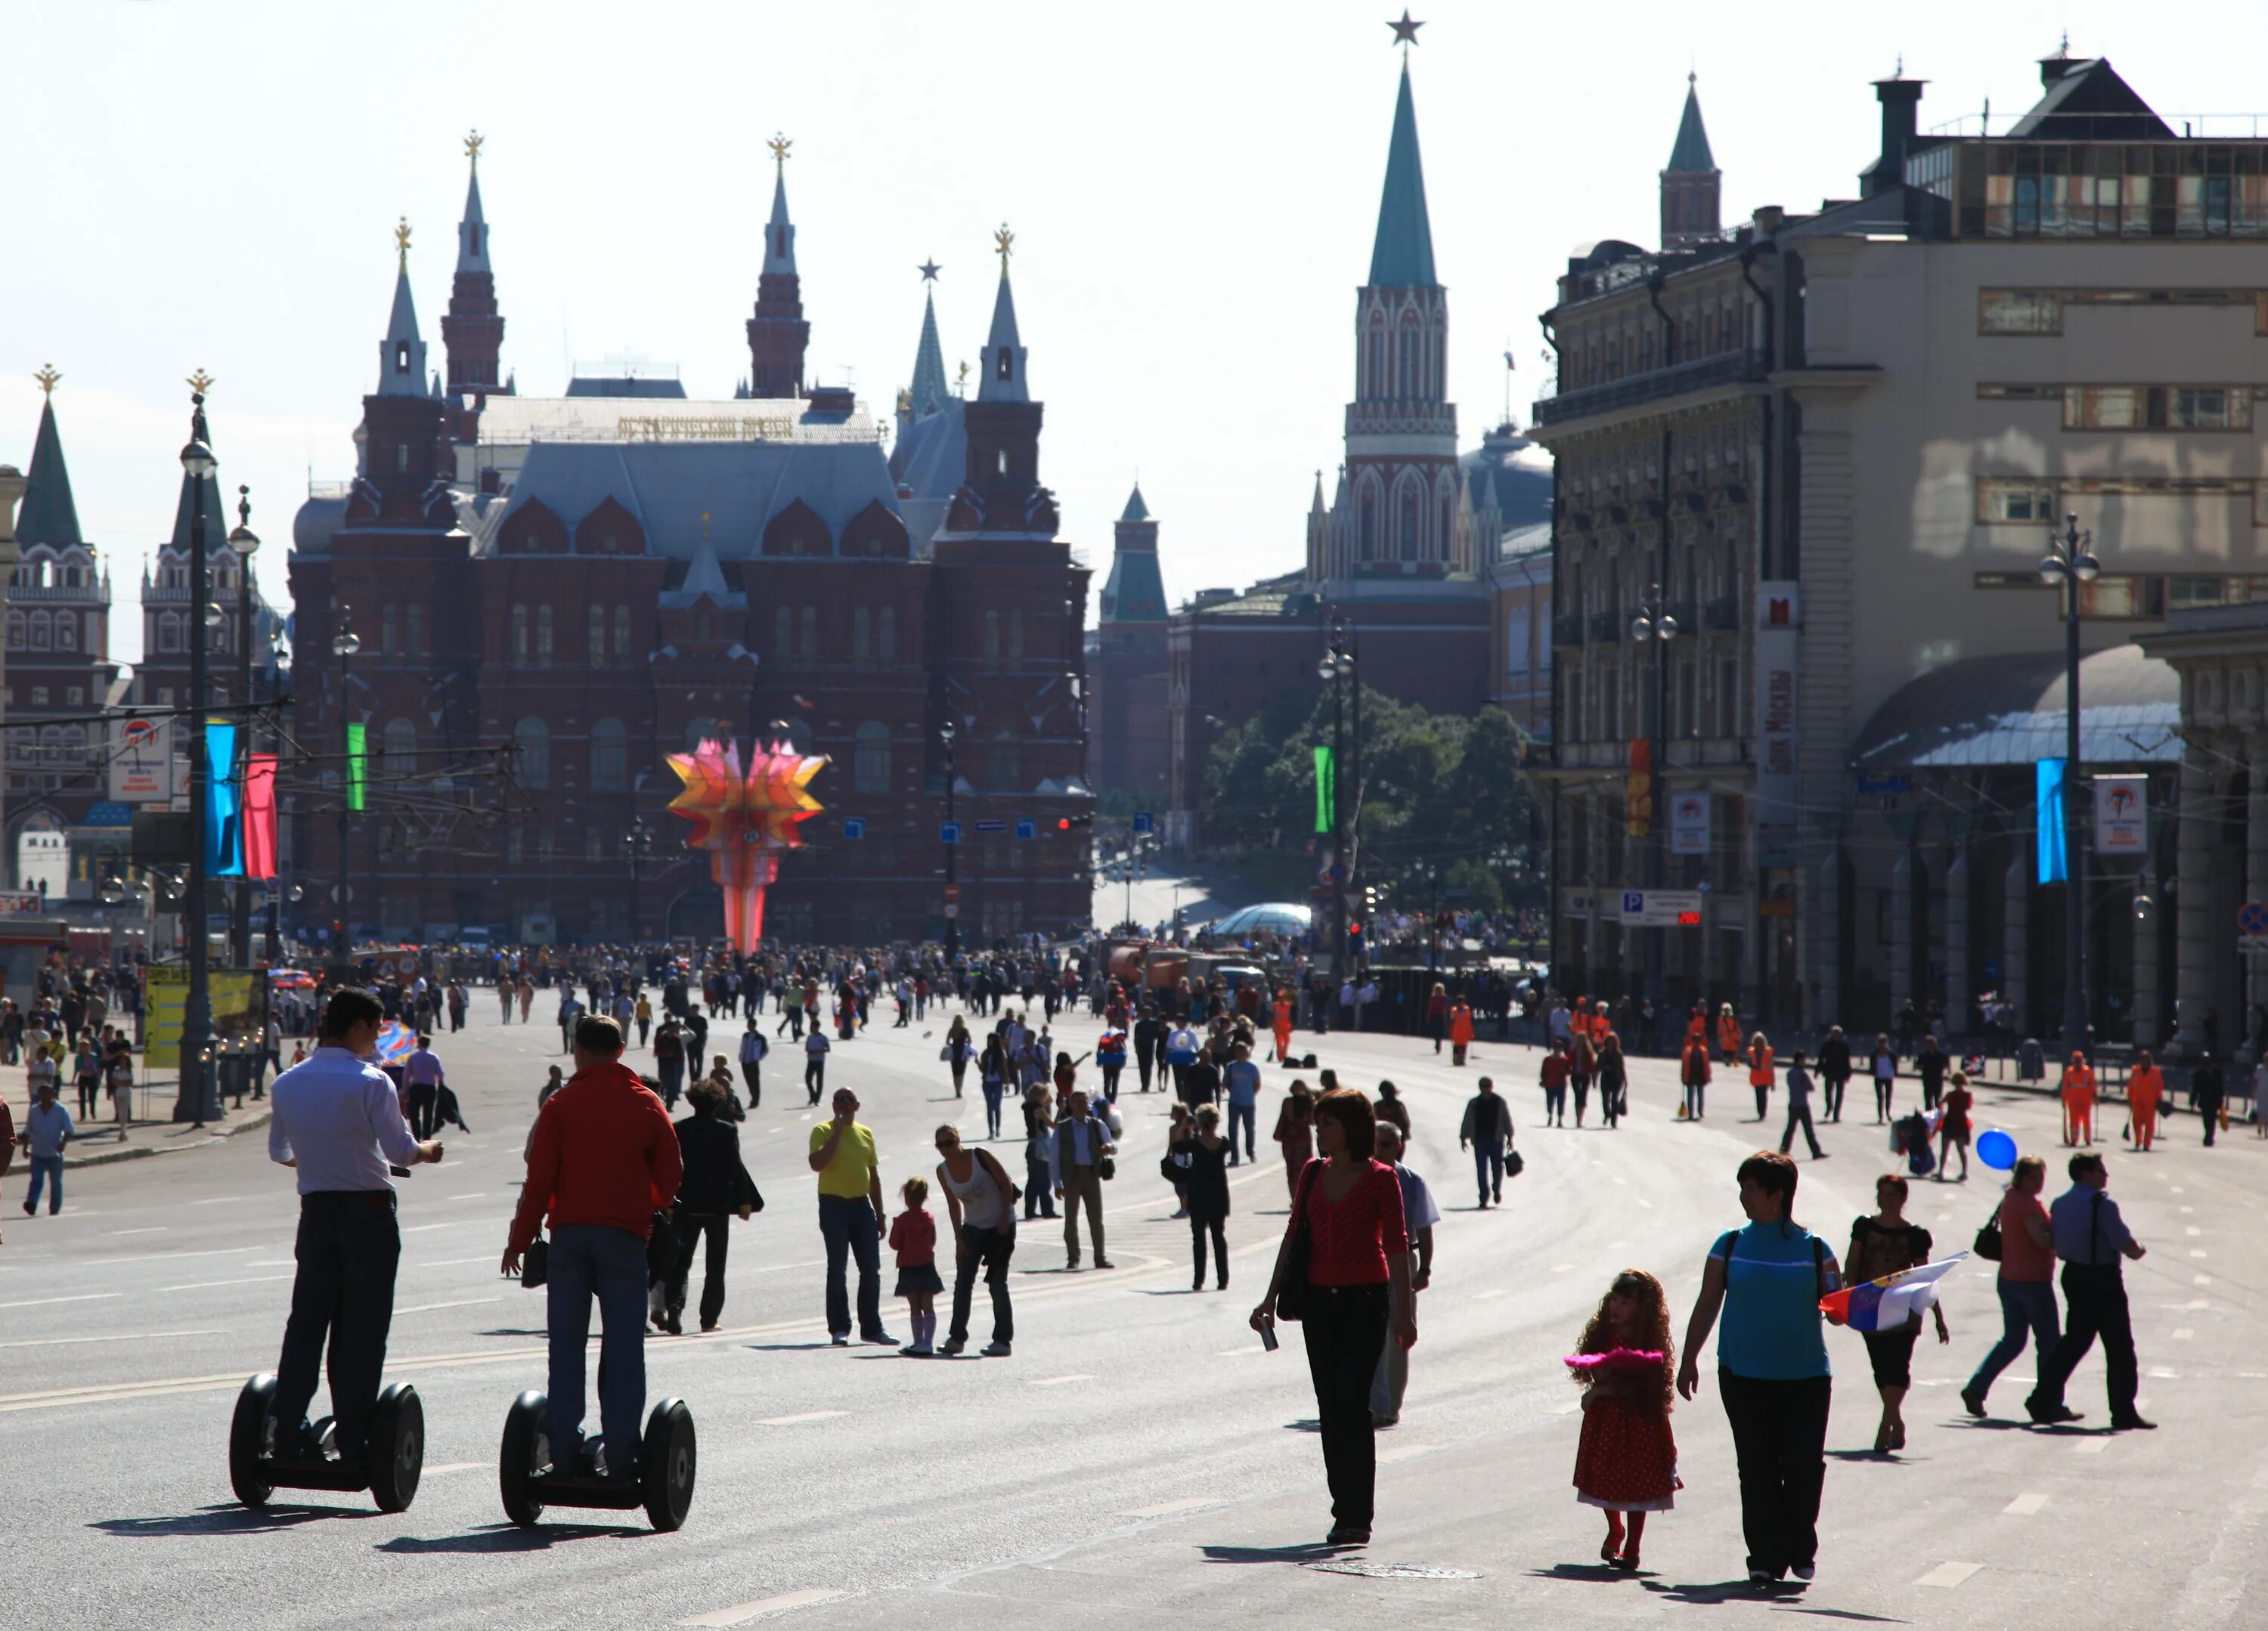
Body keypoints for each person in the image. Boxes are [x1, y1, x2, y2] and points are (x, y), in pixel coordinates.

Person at [267, 989, 445, 1466]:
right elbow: (400, 1150)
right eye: (378, 1027)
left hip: (318, 1213)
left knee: (307, 1323)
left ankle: (286, 1431)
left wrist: (319, 1158)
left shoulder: (287, 1082)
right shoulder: (371, 1082)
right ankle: (353, 1435)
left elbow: (280, 1152)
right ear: (359, 1027)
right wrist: (427, 1150)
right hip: (367, 1213)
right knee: (361, 1328)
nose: (380, 1038)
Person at [1250, 1088, 1415, 1549]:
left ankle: (1357, 1515)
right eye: (1319, 1122)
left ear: (1352, 1128)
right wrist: (1269, 1297)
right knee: (1330, 1407)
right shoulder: (1313, 1172)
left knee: (1353, 1405)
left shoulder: (1382, 1179)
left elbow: (1399, 1249)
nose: (1320, 1131)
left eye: (1329, 1123)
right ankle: (1342, 1509)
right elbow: (1293, 1235)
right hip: (1320, 1302)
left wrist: (1405, 1314)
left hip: (1365, 1301)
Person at [1676, 1151, 1841, 1587]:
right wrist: (1689, 1357)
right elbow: (1708, 1302)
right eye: (1742, 1187)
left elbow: (1835, 1307)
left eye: (1750, 1188)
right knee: (1757, 1466)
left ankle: (1800, 1547)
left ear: (1777, 1195)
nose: (1742, 1196)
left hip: (1805, 1377)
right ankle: (1764, 1556)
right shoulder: (1729, 1245)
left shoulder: (1816, 1250)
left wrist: (1854, 1305)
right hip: (1743, 1374)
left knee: (1804, 1467)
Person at [2026, 1153, 2153, 1430]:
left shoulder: (2059, 1204)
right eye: (2100, 1170)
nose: (2105, 1176)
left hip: (2074, 1275)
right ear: (2086, 1173)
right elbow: (2123, 1241)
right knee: (2119, 1347)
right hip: (2102, 1278)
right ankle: (2122, 1411)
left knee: (2074, 1343)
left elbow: (2057, 1239)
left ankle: (2041, 1398)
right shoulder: (2102, 1205)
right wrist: (2138, 1250)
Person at [1568, 1269, 1680, 1573]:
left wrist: (1601, 1390)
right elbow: (1596, 1369)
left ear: (1642, 1309)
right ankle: (1615, 1528)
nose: (1616, 1307)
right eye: (1614, 1300)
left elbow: (1642, 1385)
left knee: (1637, 1485)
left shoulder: (1648, 1343)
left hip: (1640, 1420)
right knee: (1605, 1476)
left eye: (1625, 1302)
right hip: (1608, 1421)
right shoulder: (1604, 1334)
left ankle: (1633, 1548)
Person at [1843, 1174, 1947, 1453]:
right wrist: (1847, 1298)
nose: (1885, 1199)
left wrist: (1938, 1316)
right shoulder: (1864, 1227)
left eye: (1891, 1194)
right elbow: (1852, 1264)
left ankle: (1884, 1427)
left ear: (1903, 1199)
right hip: (1870, 1308)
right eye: (1882, 1193)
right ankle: (1896, 1420)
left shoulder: (1915, 1236)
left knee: (1898, 1366)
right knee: (1881, 1369)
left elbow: (1925, 1276)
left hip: (1905, 1311)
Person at [659, 1076, 761, 1335]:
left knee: (680, 1262)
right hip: (717, 1208)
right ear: (717, 1103)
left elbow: (673, 1169)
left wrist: (668, 1201)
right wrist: (745, 1201)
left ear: (692, 1101)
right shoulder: (727, 1130)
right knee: (716, 1267)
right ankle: (709, 1319)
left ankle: (674, 1306)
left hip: (685, 1206)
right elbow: (734, 1168)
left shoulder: (679, 1128)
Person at [1960, 1153, 2058, 1418]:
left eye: (2041, 1177)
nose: (2038, 1182)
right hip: (2032, 1281)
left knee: (2013, 1341)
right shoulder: (2026, 1203)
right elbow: (2041, 1240)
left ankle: (1977, 1388)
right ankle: (2049, 1401)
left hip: (2009, 1278)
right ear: (2021, 1178)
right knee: (2049, 1343)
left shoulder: (2012, 1198)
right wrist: (2066, 1236)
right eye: (2032, 1177)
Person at [807, 1087, 894, 1347]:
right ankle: (839, 1328)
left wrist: (880, 1214)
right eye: (839, 1100)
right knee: (837, 1269)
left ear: (857, 1106)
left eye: (849, 1101)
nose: (843, 1104)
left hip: (862, 1206)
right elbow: (816, 1164)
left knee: (871, 1269)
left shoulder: (865, 1133)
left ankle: (872, 1327)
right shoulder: (822, 1131)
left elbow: (874, 1177)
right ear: (833, 1106)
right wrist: (837, 1132)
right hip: (834, 1206)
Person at [1369, 1121, 1437, 1428]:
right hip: (1370, 1259)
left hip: (1402, 1259)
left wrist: (1424, 1268)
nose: (1378, 1149)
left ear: (1398, 1146)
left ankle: (1391, 1405)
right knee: (1371, 1334)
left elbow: (1424, 1226)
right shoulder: (1361, 1177)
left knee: (1399, 1334)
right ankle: (1374, 1403)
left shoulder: (1411, 1181)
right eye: (1374, 1143)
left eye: (1385, 1144)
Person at [935, 1123, 1018, 1357]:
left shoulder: (980, 1156)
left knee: (997, 1284)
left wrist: (1003, 1218)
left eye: (950, 1142)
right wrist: (958, 1239)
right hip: (972, 1229)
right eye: (940, 1145)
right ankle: (956, 1338)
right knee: (962, 1283)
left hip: (1000, 1227)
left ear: (959, 1140)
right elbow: (953, 1205)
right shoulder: (943, 1171)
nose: (946, 1149)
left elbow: (1005, 1183)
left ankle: (1002, 1341)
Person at [1053, 1088, 1116, 1270]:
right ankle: (1073, 1257)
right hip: (1071, 1176)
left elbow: (1113, 1145)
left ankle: (1100, 1257)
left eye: (1085, 1102)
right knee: (1071, 1219)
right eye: (1078, 1102)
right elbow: (1055, 1157)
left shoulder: (1096, 1125)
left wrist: (1109, 1148)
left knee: (1096, 1218)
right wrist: (1057, 1184)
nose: (1082, 1106)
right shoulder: (1063, 1128)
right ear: (1072, 1105)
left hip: (1091, 1174)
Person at [1179, 1103, 1232, 1291]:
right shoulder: (1224, 1143)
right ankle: (1223, 1278)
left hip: (1199, 1194)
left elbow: (1177, 1148)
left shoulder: (1195, 1144)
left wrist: (1185, 1128)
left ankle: (1198, 1279)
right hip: (1218, 1194)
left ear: (1200, 1123)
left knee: (1198, 1238)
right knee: (1219, 1237)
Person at [891, 1177, 944, 1356]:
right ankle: (928, 1343)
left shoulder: (902, 1220)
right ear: (925, 1197)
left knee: (915, 1307)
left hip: (909, 1267)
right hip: (927, 1266)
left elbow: (895, 1244)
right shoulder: (929, 1218)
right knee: (928, 1305)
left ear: (906, 1197)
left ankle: (918, 1342)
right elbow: (933, 1241)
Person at [18, 1077, 73, 1216]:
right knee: (36, 1181)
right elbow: (29, 1131)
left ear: (53, 1094)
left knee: (56, 1183)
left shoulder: (61, 1111)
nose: (45, 1097)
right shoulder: (35, 1111)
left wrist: (63, 1143)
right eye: (42, 1094)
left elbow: (68, 1130)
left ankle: (54, 1207)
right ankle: (32, 1203)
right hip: (38, 1153)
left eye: (48, 1094)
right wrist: (25, 1148)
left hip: (55, 1153)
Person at [1461, 1075, 1515, 1208]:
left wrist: (1510, 1137)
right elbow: (1467, 1120)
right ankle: (1483, 1197)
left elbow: (1506, 1119)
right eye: (1483, 1086)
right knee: (1481, 1170)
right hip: (1480, 1141)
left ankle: (1496, 1189)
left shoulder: (1499, 1102)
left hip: (1496, 1140)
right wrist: (1463, 1137)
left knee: (1497, 1168)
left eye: (1488, 1086)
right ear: (1480, 1087)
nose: (1486, 1089)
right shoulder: (1474, 1103)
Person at [1273, 1078, 1315, 1200]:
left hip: (1289, 1138)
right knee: (1305, 1169)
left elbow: (1284, 1118)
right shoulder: (1308, 1103)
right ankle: (1304, 1197)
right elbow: (1313, 1122)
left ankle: (1294, 1198)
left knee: (1291, 1169)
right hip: (1304, 1139)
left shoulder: (1287, 1102)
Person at [1777, 1051, 1823, 1160]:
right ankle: (1815, 1151)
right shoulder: (1803, 1074)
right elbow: (1810, 1087)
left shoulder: (1790, 1073)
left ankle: (1784, 1150)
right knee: (1808, 1130)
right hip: (1802, 1105)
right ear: (1800, 1060)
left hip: (1792, 1104)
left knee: (1790, 1129)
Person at [1021, 1085, 1058, 1220]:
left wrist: (1046, 1098)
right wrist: (1061, 1110)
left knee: (1033, 1181)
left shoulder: (1028, 1107)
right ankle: (1047, 1210)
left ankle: (1029, 1210)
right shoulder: (1039, 1110)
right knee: (1044, 1181)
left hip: (1031, 1146)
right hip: (1040, 1148)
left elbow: (1050, 1101)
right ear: (1040, 1096)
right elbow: (1054, 1125)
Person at [1222, 1041, 1261, 1164]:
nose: (1240, 1054)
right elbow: (1226, 1082)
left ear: (1246, 1052)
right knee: (1233, 1129)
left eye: (1242, 1051)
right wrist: (1233, 1092)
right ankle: (1235, 1156)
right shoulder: (1231, 1067)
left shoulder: (1252, 1067)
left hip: (1248, 1103)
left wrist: (1250, 1094)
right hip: (1234, 1102)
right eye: (1238, 1051)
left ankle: (1250, 1152)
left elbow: (1257, 1085)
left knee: (1249, 1129)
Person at [401, 1033, 445, 1140]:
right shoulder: (434, 1057)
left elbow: (407, 1075)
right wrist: (441, 1084)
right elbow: (440, 1074)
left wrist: (405, 1090)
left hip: (416, 1088)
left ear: (419, 1044)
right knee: (428, 1114)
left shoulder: (413, 1058)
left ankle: (417, 1136)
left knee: (414, 1115)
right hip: (429, 1088)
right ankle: (427, 1137)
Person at [2126, 1049, 2164, 1151]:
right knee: (2136, 1124)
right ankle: (2138, 1141)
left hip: (2150, 1105)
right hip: (2137, 1103)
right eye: (2143, 1060)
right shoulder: (2135, 1072)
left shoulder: (2156, 1074)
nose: (2145, 1062)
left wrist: (2159, 1100)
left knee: (2149, 1126)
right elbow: (2131, 1087)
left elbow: (2159, 1088)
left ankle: (2147, 1144)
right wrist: (2129, 1099)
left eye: (2147, 1060)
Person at [1937, 1072, 1973, 1179]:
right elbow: (1968, 1107)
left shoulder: (1950, 1094)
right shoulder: (1967, 1095)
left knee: (1945, 1149)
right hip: (1961, 1122)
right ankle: (1964, 1172)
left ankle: (1941, 1171)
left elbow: (1940, 1103)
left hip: (1950, 1122)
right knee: (1961, 1149)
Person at [978, 1032, 1012, 1140]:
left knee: (996, 1106)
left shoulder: (1001, 1053)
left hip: (998, 1082)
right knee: (989, 1107)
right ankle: (991, 1130)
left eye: (991, 1040)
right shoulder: (985, 1053)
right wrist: (977, 1063)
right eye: (988, 1040)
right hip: (987, 1082)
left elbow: (1005, 1069)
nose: (989, 1042)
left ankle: (997, 1127)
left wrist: (1006, 1083)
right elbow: (983, 1069)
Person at [2059, 1051, 2096, 1146]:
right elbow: (2065, 1087)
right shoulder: (2069, 1073)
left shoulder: (2088, 1072)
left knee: (2086, 1121)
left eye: (2079, 1061)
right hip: (2073, 1102)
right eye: (2076, 1061)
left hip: (2086, 1101)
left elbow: (2093, 1085)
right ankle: (2074, 1140)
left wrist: (2095, 1096)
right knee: (2074, 1122)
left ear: (2082, 1061)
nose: (2078, 1063)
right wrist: (2064, 1100)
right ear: (2073, 1061)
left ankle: (2088, 1139)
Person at [1816, 1026, 1851, 1124]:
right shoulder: (1826, 1045)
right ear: (1831, 1034)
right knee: (1828, 1092)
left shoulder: (1845, 1046)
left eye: (1838, 1034)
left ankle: (1836, 1114)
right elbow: (1821, 1058)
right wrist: (1817, 1071)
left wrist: (1848, 1073)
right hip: (1829, 1071)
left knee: (1839, 1094)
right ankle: (1829, 1107)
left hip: (1841, 1072)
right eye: (1835, 1034)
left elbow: (1847, 1061)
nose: (1837, 1036)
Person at [2194, 1051, 2226, 1147]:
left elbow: (2220, 1087)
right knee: (2206, 1120)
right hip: (2204, 1101)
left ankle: (2209, 1137)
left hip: (2214, 1100)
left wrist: (2221, 1100)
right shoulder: (2199, 1073)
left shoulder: (2217, 1071)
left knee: (2213, 1120)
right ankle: (2208, 1135)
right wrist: (2192, 1101)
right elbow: (2196, 1089)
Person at [1597, 1032, 1628, 1129]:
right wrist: (1594, 1078)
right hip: (1606, 1078)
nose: (1610, 1043)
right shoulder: (1602, 1053)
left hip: (1616, 1079)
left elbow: (1622, 1068)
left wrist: (1625, 1080)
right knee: (1605, 1099)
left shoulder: (1618, 1054)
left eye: (1612, 1041)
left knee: (1614, 1100)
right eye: (1609, 1041)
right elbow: (1597, 1067)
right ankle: (1607, 1113)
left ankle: (1614, 1121)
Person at [1678, 1034, 1709, 1122]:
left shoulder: (1704, 1051)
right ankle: (1690, 1114)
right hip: (1690, 1076)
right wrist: (1683, 1076)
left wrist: (1707, 1076)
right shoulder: (1687, 1051)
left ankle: (1700, 1111)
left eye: (1698, 1040)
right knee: (1690, 1096)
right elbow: (1684, 1065)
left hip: (1700, 1076)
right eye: (1695, 1040)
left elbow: (1707, 1065)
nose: (1696, 1042)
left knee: (1700, 1096)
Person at [1746, 1032, 1775, 1123]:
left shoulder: (1768, 1052)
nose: (1758, 1043)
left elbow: (1771, 1067)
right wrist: (1754, 1067)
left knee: (1764, 1096)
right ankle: (1760, 1111)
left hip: (1766, 1078)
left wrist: (1773, 1083)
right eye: (1757, 1041)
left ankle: (1763, 1112)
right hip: (1756, 1078)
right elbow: (1749, 1063)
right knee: (1758, 1096)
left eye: (1760, 1041)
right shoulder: (1752, 1052)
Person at [942, 1015, 974, 1098]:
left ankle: (957, 1091)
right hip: (963, 1052)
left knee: (955, 1073)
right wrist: (965, 1043)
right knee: (961, 1073)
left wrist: (953, 1044)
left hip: (954, 1051)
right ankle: (960, 1090)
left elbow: (947, 1041)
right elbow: (970, 1041)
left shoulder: (952, 1030)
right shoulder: (965, 1030)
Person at [737, 1025, 768, 1110]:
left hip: (753, 1062)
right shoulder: (745, 1035)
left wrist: (758, 1058)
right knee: (749, 1081)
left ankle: (755, 1100)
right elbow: (742, 1046)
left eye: (751, 1026)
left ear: (754, 1026)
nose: (750, 1028)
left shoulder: (760, 1037)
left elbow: (765, 1050)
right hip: (745, 1062)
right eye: (748, 1026)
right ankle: (753, 1097)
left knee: (755, 1082)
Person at [1869, 1034, 1897, 1124]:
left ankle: (1888, 1113)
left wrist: (1895, 1072)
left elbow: (1895, 1063)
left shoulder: (1891, 1053)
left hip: (1888, 1077)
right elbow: (1872, 1064)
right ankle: (1880, 1116)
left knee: (1888, 1097)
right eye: (1880, 1042)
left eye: (1883, 1042)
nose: (1882, 1044)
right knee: (1880, 1098)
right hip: (1879, 1077)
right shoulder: (1875, 1053)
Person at [803, 1025, 831, 1107]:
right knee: (808, 1079)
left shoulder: (823, 1038)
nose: (811, 1029)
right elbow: (807, 1048)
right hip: (811, 1061)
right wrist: (809, 1051)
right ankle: (813, 1095)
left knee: (819, 1081)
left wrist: (817, 1051)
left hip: (819, 1061)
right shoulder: (809, 1037)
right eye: (811, 1027)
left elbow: (828, 1049)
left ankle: (817, 1100)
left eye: (813, 1027)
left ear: (817, 1027)